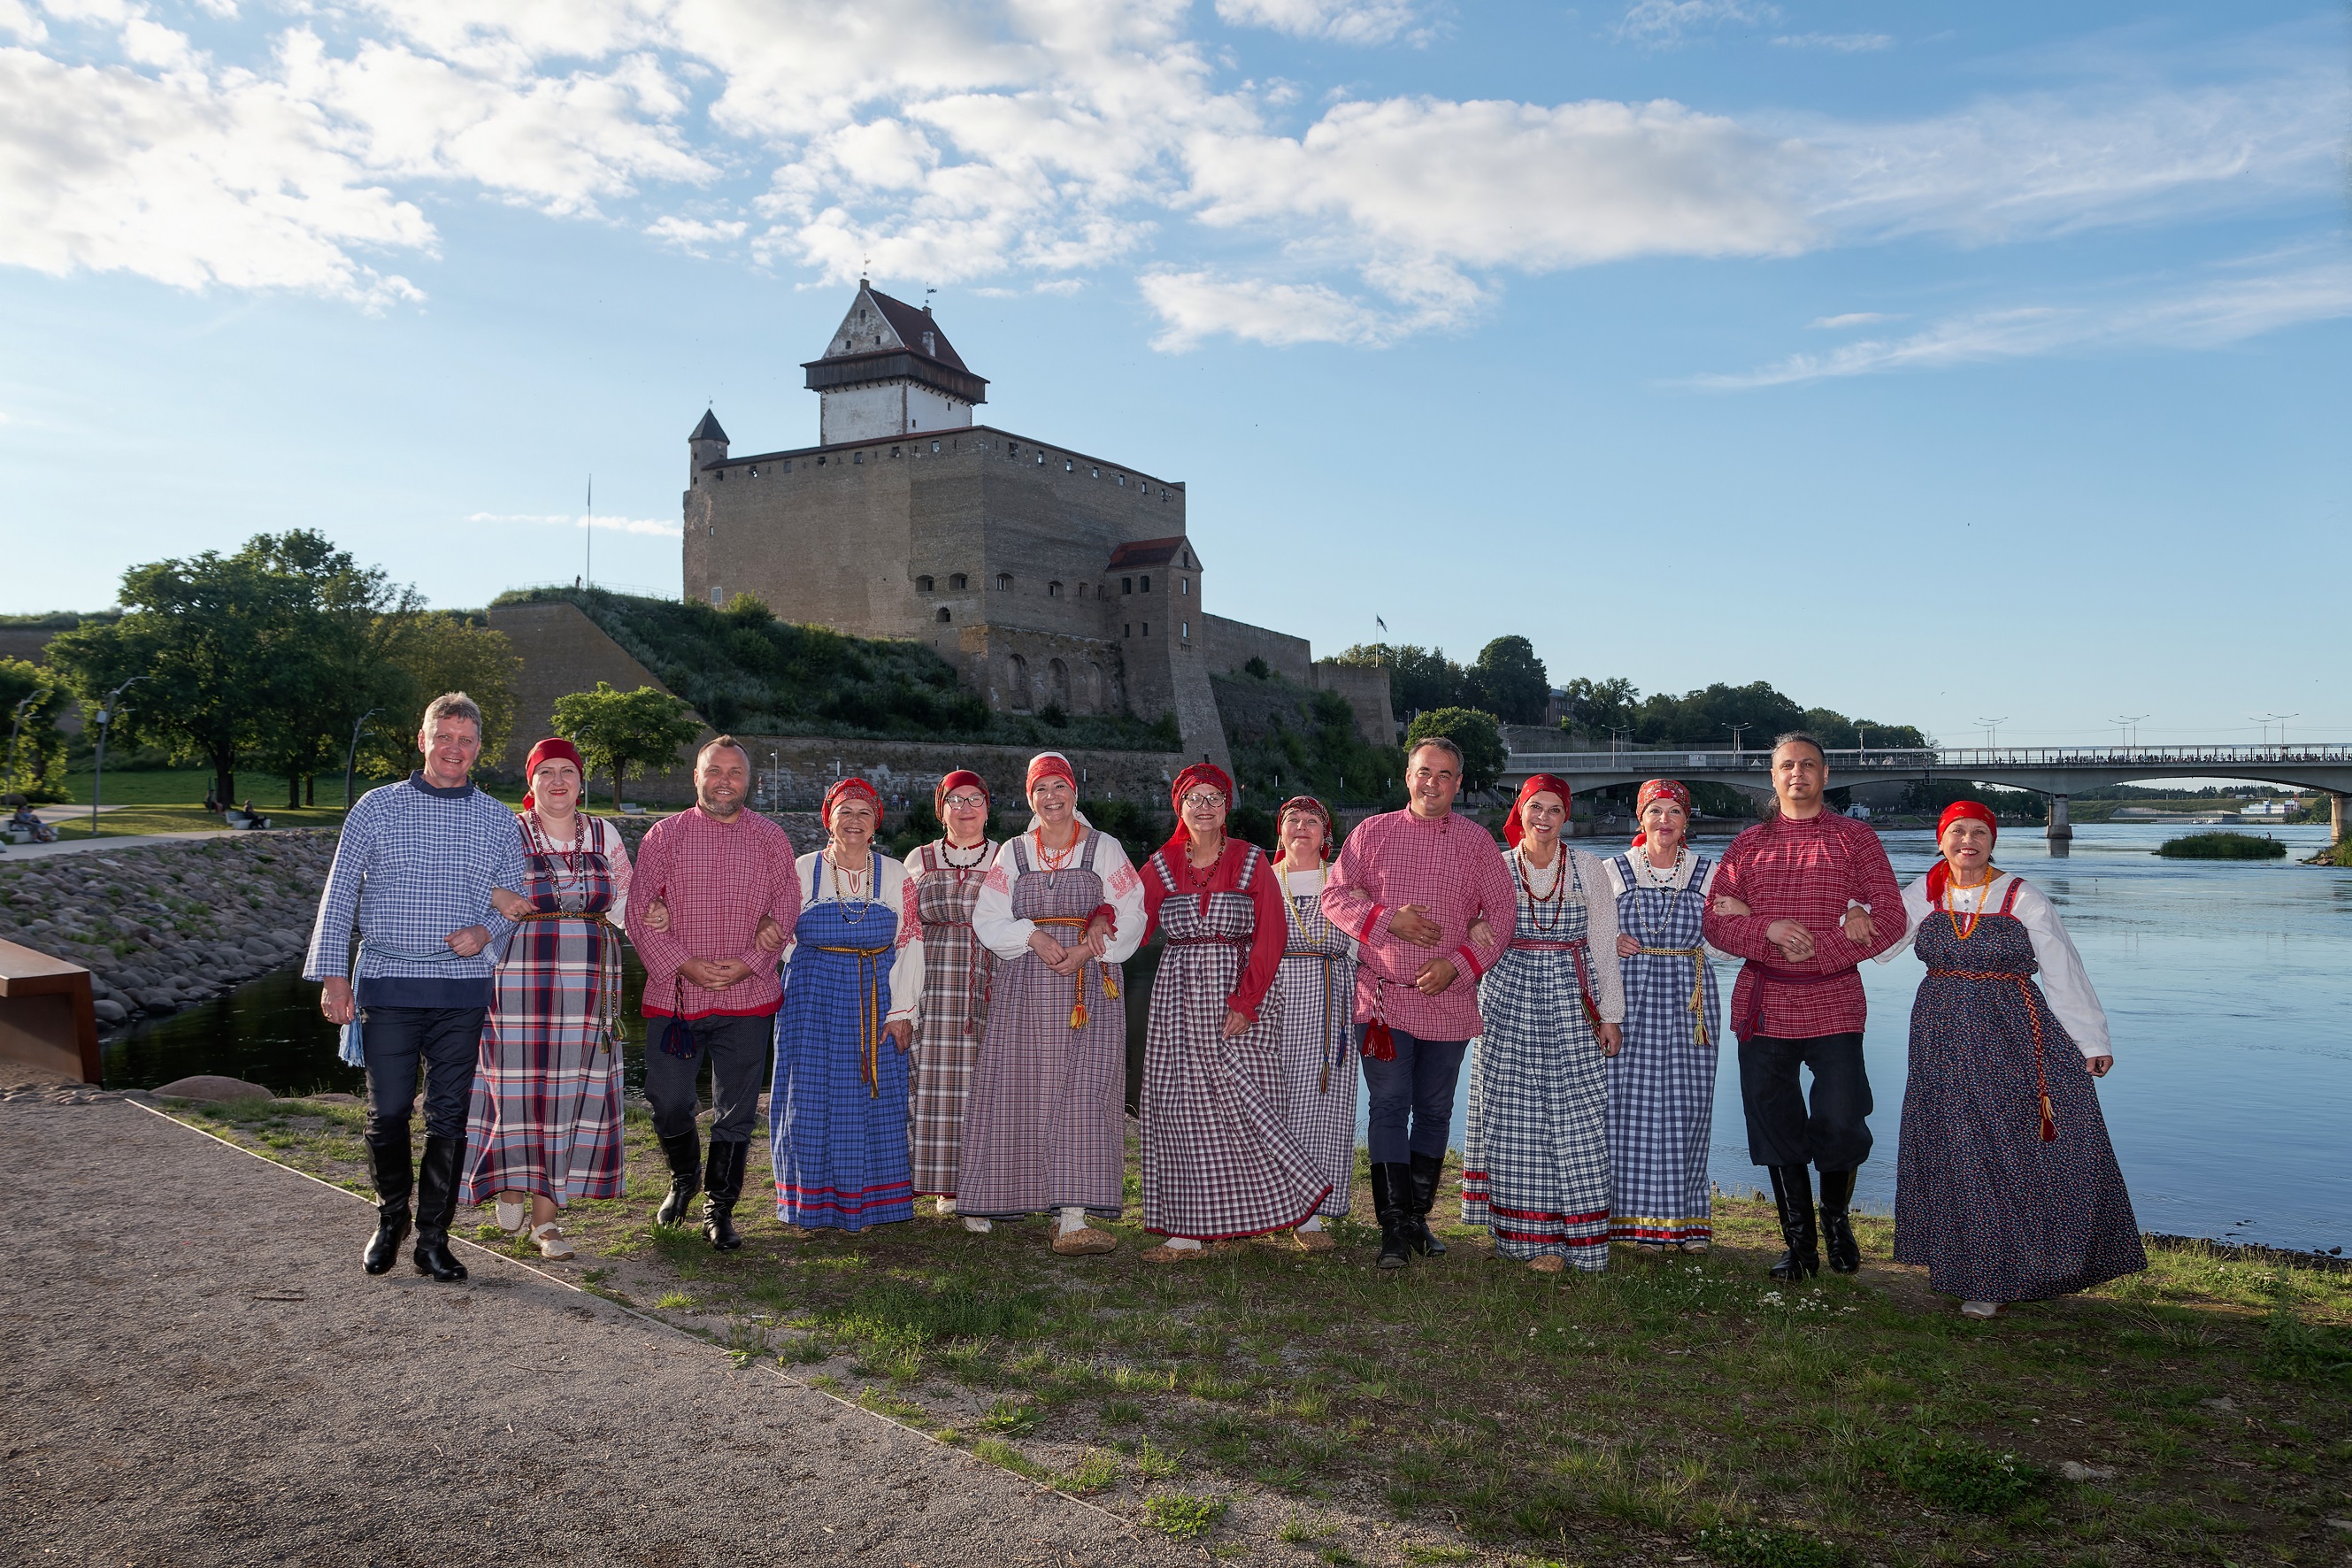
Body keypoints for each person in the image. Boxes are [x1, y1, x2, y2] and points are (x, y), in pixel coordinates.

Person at [1880, 801, 2144, 1318]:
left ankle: (2008, 1270)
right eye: (1957, 832)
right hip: (1938, 1038)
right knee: (1955, 1146)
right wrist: (1848, 910)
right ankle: (1968, 1266)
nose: (1968, 842)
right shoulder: (1924, 892)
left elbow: (2062, 968)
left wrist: (2092, 1040)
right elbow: (1880, 944)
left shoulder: (2023, 896)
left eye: (1979, 832)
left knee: (2005, 1147)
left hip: (2010, 1037)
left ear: (1993, 841)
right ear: (1941, 840)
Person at [304, 692, 528, 1281]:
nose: (455, 748)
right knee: (388, 1113)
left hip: (461, 991)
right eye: (444, 736)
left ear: (478, 748)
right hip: (388, 984)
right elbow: (339, 891)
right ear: (423, 739)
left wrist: (486, 931)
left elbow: (513, 900)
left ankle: (433, 1238)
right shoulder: (377, 806)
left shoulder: (498, 820)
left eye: (466, 739)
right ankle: (391, 1219)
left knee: (449, 1117)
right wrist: (333, 976)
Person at [1703, 733, 1905, 1280]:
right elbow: (1714, 922)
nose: (1798, 773)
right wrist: (1767, 929)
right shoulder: (1748, 845)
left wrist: (1824, 948)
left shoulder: (1856, 839)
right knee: (1775, 1122)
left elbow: (1891, 917)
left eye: (1808, 765)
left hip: (1835, 998)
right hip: (1764, 1001)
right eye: (1787, 766)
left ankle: (1835, 1218)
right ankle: (1800, 1246)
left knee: (1842, 1116)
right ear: (1773, 777)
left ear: (1825, 774)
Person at [1322, 736, 1518, 1270]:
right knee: (1389, 1105)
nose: (1432, 783)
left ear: (1459, 783)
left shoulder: (1477, 843)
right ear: (1408, 776)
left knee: (1434, 1109)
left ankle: (1416, 1218)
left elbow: (1503, 915)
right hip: (1383, 1000)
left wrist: (1459, 963)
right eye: (1424, 772)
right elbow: (1334, 896)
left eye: (1445, 774)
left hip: (1450, 1000)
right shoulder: (1372, 833)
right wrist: (1389, 920)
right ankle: (1392, 1225)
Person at [1136, 765, 1329, 1260]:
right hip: (1177, 1001)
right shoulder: (1161, 864)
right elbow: (1132, 919)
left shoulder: (1251, 859)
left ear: (1227, 807)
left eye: (1214, 799)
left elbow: (1271, 934)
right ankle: (1187, 1230)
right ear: (1180, 807)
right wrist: (1097, 924)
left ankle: (1295, 1207)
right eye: (1194, 799)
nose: (1204, 808)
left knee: (1252, 1105)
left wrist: (1246, 1001)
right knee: (1181, 1110)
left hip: (1239, 995)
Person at [963, 752, 1146, 1255]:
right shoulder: (1015, 853)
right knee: (1017, 1087)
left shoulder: (1105, 848)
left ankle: (1072, 1217)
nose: (1051, 797)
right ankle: (997, 1194)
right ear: (1030, 798)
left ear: (1074, 792)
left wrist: (1089, 949)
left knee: (1086, 1094)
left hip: (1090, 987)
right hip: (1026, 982)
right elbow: (988, 916)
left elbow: (1134, 911)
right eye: (1040, 789)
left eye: (1059, 786)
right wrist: (1032, 936)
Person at [625, 736, 801, 1251]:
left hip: (748, 997)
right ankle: (684, 1178)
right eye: (714, 771)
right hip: (677, 995)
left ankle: (719, 1207)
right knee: (667, 1099)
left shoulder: (770, 838)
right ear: (696, 777)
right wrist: (684, 964)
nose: (725, 781)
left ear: (750, 781)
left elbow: (787, 906)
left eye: (735, 772)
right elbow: (639, 911)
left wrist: (750, 963)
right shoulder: (665, 836)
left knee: (736, 1108)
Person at [461, 738, 633, 1260]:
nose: (558, 781)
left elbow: (625, 898)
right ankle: (511, 1182)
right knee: (515, 1089)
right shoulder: (506, 829)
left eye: (568, 772)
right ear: (531, 782)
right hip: (519, 977)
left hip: (590, 981)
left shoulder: (604, 833)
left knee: (568, 1092)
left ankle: (546, 1220)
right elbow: (468, 883)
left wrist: (653, 915)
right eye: (546, 772)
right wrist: (499, 895)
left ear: (581, 781)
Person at [1458, 773, 1625, 1274]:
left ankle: (1579, 1235)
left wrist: (1611, 1014)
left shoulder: (1589, 869)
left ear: (1566, 816)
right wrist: (1473, 921)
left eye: (1554, 809)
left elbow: (1603, 945)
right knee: (1515, 1115)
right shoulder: (1495, 865)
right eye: (1536, 807)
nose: (1544, 818)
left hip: (1572, 999)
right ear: (1521, 810)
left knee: (1577, 1115)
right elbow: (1459, 916)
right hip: (1507, 1000)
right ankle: (1524, 1237)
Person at [769, 777, 924, 1232]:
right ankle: (811, 1203)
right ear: (828, 820)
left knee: (875, 1096)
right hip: (813, 999)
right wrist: (810, 965)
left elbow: (910, 942)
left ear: (876, 823)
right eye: (845, 812)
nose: (854, 821)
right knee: (809, 1095)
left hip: (877, 996)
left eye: (864, 813)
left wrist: (903, 1011)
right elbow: (777, 931)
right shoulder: (802, 869)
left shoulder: (895, 874)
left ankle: (874, 1203)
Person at [1603, 780, 1727, 1253]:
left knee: (1686, 1107)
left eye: (1674, 811)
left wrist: (1737, 915)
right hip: (1627, 997)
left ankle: (1683, 1220)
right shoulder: (1613, 870)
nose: (1664, 820)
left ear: (1686, 820)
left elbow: (1725, 944)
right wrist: (1609, 940)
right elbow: (1588, 931)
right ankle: (1629, 1220)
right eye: (1655, 810)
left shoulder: (1709, 873)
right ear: (1641, 817)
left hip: (1689, 1001)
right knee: (1625, 1106)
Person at [906, 771, 999, 1216]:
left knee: (986, 1083)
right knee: (930, 1084)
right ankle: (939, 1185)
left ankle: (981, 1185)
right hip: (931, 982)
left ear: (988, 807)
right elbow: (904, 927)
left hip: (990, 981)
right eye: (955, 800)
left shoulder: (1005, 857)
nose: (966, 808)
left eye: (975, 799)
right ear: (940, 809)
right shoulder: (920, 859)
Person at [1269, 796, 1359, 1250]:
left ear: (1326, 834)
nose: (1301, 827)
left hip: (1330, 1005)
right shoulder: (1263, 880)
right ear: (1280, 831)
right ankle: (1269, 1205)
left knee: (1324, 1105)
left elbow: (1364, 947)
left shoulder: (1344, 882)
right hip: (1274, 1003)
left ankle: (1312, 1213)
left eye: (1312, 821)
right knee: (1274, 1101)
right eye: (1293, 820)